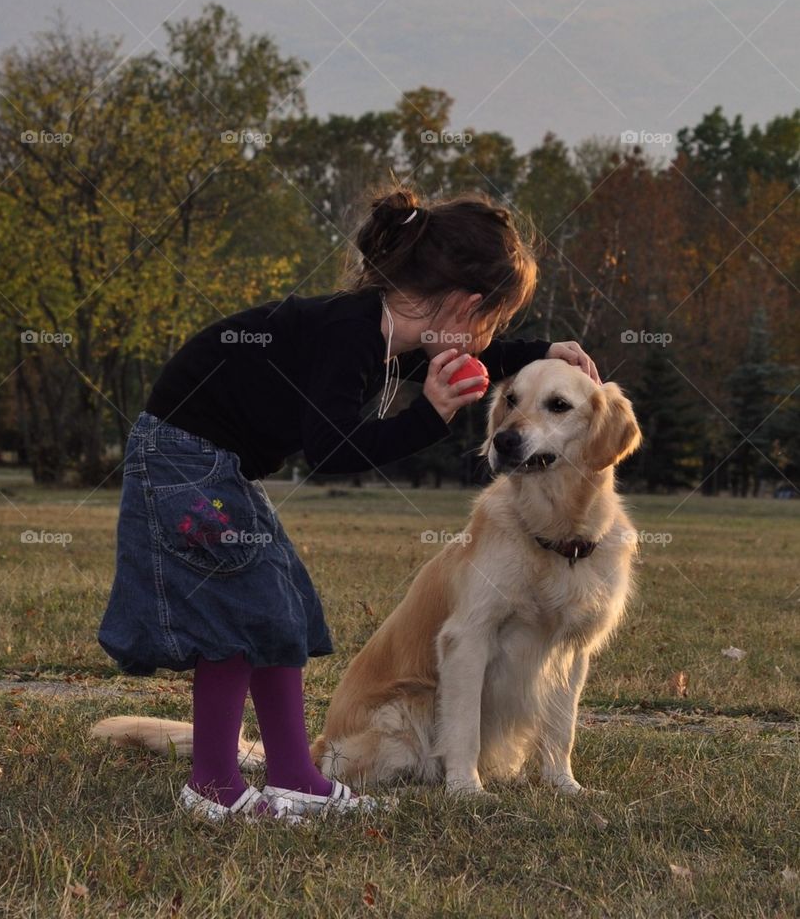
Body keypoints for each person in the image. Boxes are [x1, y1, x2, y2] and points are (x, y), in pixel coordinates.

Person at [97, 185, 600, 821]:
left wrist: (544, 351)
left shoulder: (383, 328)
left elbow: (473, 353)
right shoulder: (350, 335)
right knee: (235, 616)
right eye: (491, 324)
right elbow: (330, 451)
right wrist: (430, 418)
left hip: (211, 464)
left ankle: (295, 778)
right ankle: (214, 788)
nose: (486, 340)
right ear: (466, 304)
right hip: (183, 460)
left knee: (281, 611)